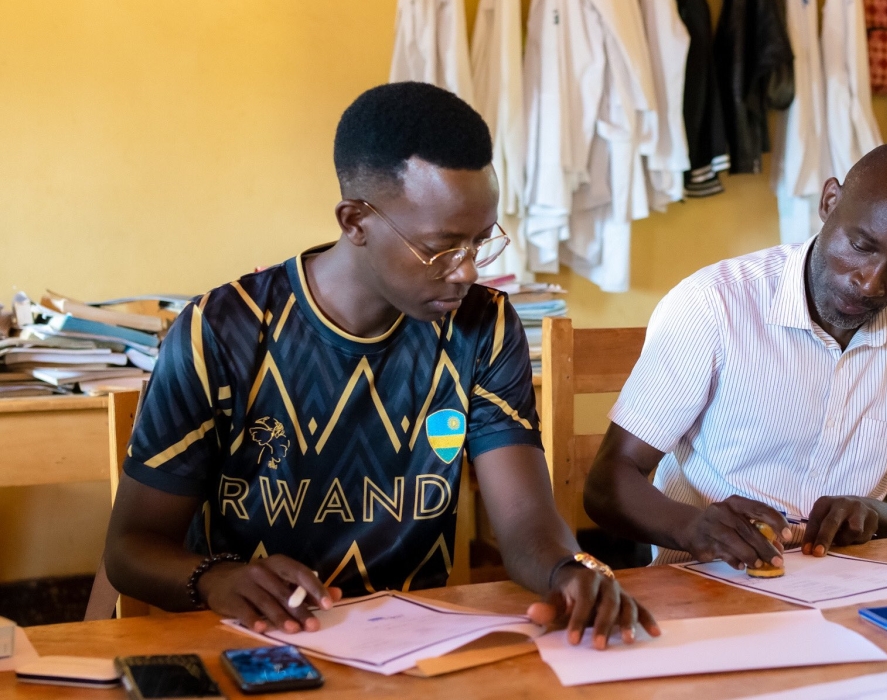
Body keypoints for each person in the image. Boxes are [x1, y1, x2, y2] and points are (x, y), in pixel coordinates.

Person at [104, 82, 658, 649]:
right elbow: (131, 548)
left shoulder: (481, 327)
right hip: (260, 642)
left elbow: (524, 525)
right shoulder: (224, 330)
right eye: (442, 247)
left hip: (419, 646)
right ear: (354, 222)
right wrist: (216, 577)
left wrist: (569, 570)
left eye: (479, 243)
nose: (466, 271)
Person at [584, 142, 887, 567]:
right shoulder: (714, 305)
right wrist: (692, 527)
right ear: (829, 201)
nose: (872, 283)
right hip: (708, 582)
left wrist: (876, 512)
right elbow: (607, 483)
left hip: (848, 586)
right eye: (861, 245)